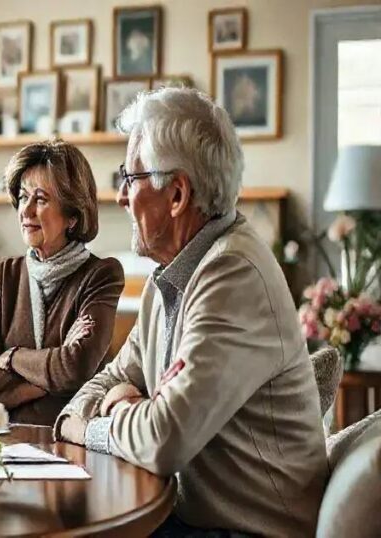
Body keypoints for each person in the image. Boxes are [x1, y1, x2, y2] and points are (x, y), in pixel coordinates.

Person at [55, 88, 327, 536]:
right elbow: (113, 377)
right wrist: (83, 414)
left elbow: (164, 439)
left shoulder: (232, 274)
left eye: (130, 177)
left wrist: (91, 429)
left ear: (177, 193)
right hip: (193, 518)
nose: (121, 197)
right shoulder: (172, 272)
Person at [0, 140, 125, 426]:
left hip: (70, 441)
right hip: (7, 443)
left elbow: (75, 369)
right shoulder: (6, 275)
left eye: (40, 199)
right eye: (23, 197)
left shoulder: (101, 275)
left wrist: (12, 357)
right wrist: (45, 381)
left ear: (72, 216)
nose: (26, 211)